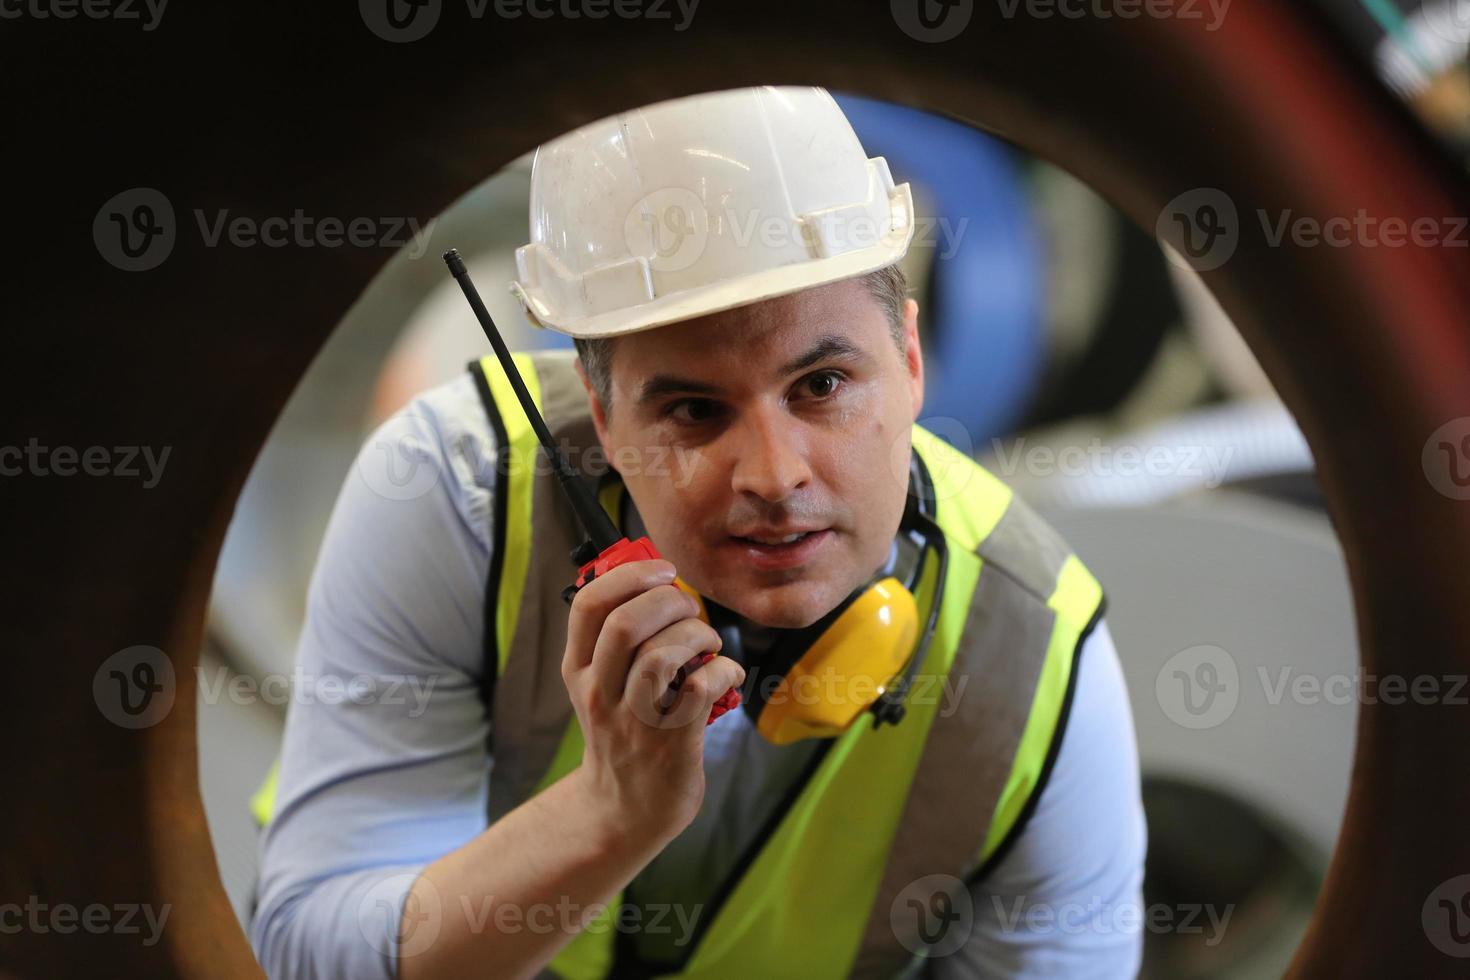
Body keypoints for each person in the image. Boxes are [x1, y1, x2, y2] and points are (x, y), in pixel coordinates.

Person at [249, 86, 1147, 979]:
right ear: (601, 417)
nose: (773, 474)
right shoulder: (458, 494)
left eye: (823, 385)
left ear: (910, 362)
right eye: (692, 408)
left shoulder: (1033, 658)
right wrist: (612, 811)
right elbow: (304, 954)